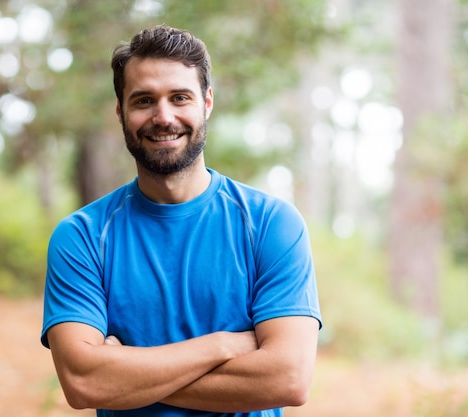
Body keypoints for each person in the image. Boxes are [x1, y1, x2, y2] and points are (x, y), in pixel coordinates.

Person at [40, 25, 322, 417]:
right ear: (121, 111)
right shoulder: (82, 237)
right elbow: (84, 382)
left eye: (180, 97)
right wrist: (223, 346)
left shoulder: (272, 225)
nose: (163, 116)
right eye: (143, 101)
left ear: (206, 102)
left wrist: (126, 373)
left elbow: (288, 379)